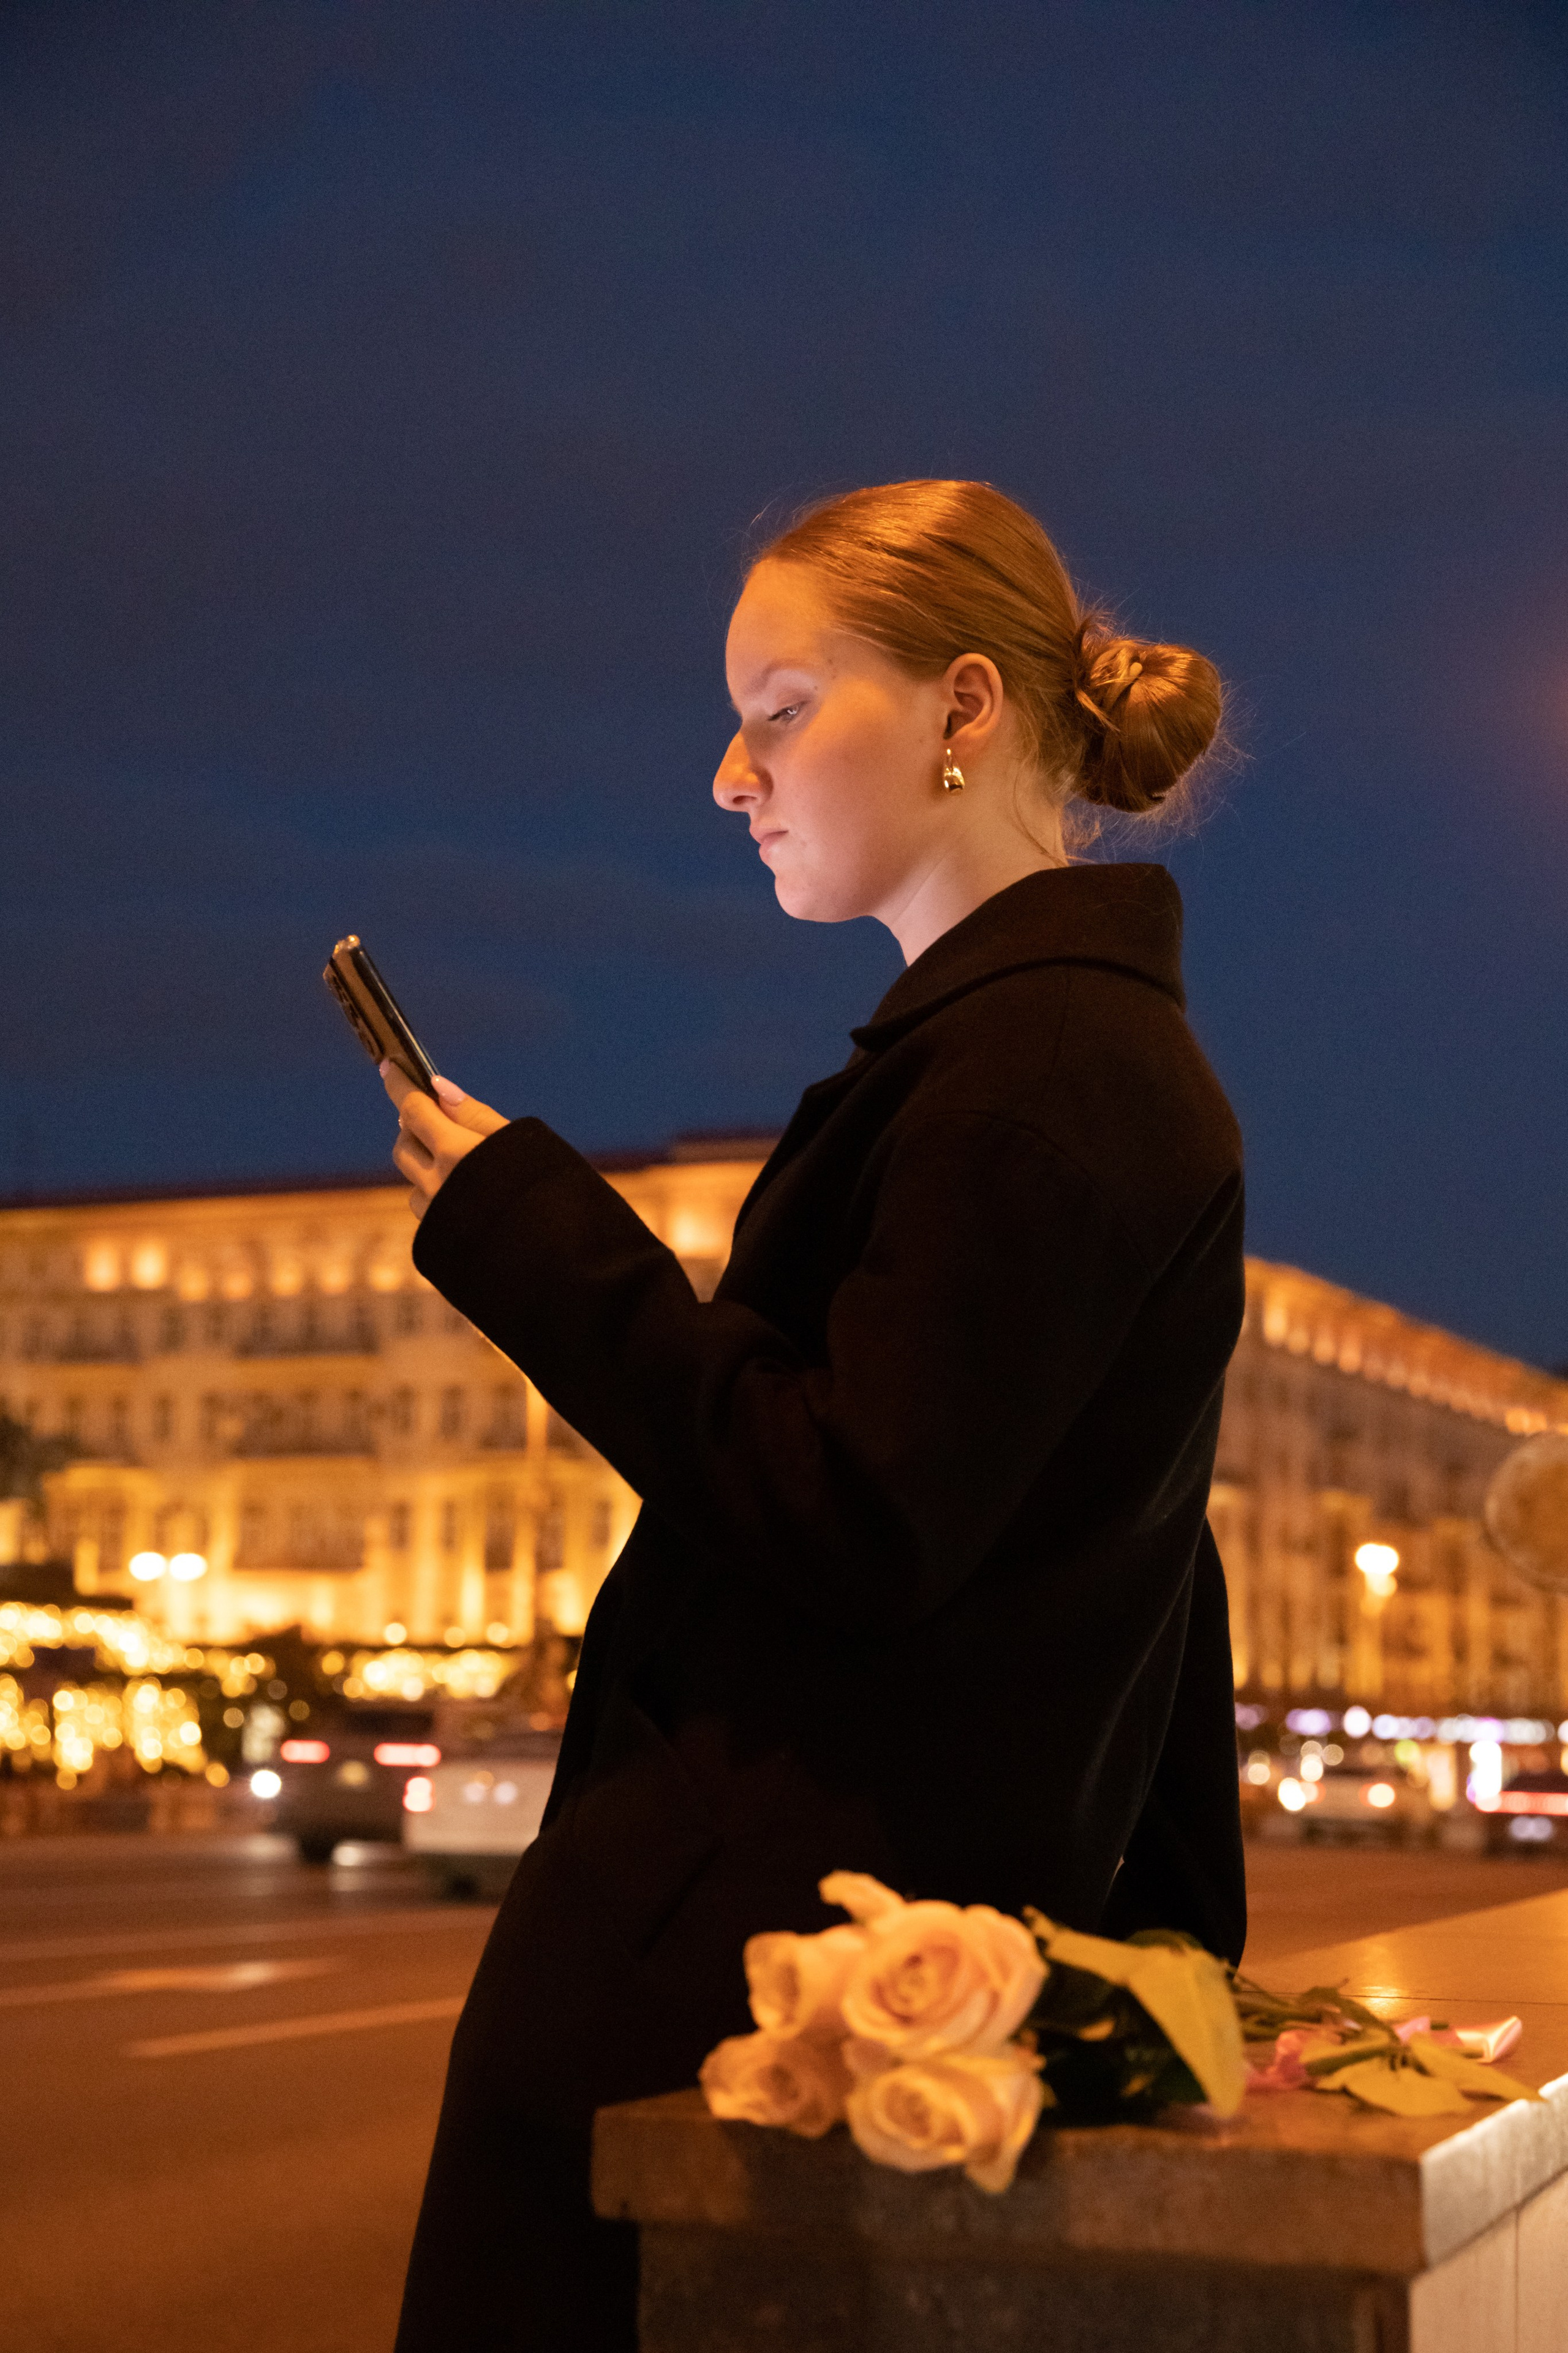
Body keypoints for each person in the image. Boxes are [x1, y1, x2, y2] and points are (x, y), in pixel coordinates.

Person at [386, 478, 1246, 2352]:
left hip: (756, 1956)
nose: (729, 773)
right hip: (820, 1953)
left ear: (963, 711)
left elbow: (859, 1507)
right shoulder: (1046, 1051)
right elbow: (1163, 1544)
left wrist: (540, 1242)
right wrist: (1186, 1935)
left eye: (780, 707)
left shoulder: (1036, 1072)